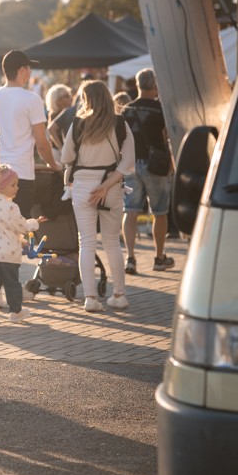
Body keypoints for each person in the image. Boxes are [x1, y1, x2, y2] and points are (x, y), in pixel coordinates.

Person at [60, 80, 135, 312]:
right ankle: (119, 295)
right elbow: (128, 162)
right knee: (112, 241)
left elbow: (66, 157)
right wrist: (105, 186)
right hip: (111, 185)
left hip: (83, 185)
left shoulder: (78, 123)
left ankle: (90, 298)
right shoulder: (120, 123)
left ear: (87, 99)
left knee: (86, 241)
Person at [0, 51, 60, 219]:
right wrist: (54, 165)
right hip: (21, 175)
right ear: (22, 70)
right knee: (21, 225)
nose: (30, 72)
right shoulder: (32, 99)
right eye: (29, 68)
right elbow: (41, 144)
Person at [121, 68, 175, 274]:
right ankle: (159, 258)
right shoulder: (161, 109)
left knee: (130, 211)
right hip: (155, 165)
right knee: (160, 212)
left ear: (137, 85)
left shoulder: (126, 109)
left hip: (131, 164)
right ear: (155, 86)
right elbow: (167, 136)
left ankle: (130, 258)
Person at [0, 166, 41, 325]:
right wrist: (34, 223)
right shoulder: (11, 207)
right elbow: (22, 226)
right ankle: (15, 312)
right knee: (12, 284)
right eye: (13, 185)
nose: (17, 188)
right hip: (8, 254)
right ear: (1, 186)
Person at [44, 84, 75, 151]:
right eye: (67, 96)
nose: (71, 98)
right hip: (58, 151)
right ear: (58, 100)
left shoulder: (69, 112)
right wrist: (62, 148)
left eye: (70, 94)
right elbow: (51, 130)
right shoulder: (54, 114)